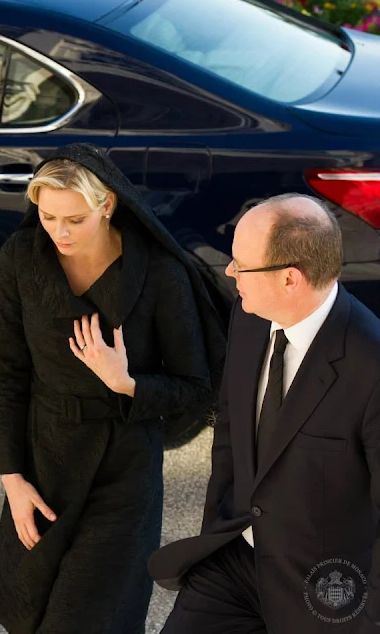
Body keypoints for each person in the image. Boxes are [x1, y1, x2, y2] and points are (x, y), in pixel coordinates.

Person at [0, 143, 225, 634]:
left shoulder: (161, 274)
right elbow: (8, 371)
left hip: (125, 472)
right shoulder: (21, 258)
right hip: (44, 461)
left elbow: (197, 388)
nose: (59, 232)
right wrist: (13, 479)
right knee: (32, 612)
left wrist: (126, 382)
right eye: (48, 216)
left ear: (107, 204)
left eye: (74, 219)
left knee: (91, 619)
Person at [149, 193, 380, 634]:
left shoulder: (372, 365)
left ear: (290, 279)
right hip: (237, 558)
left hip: (324, 589)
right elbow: (231, 435)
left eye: (240, 263)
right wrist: (214, 535)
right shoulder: (251, 313)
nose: (230, 271)